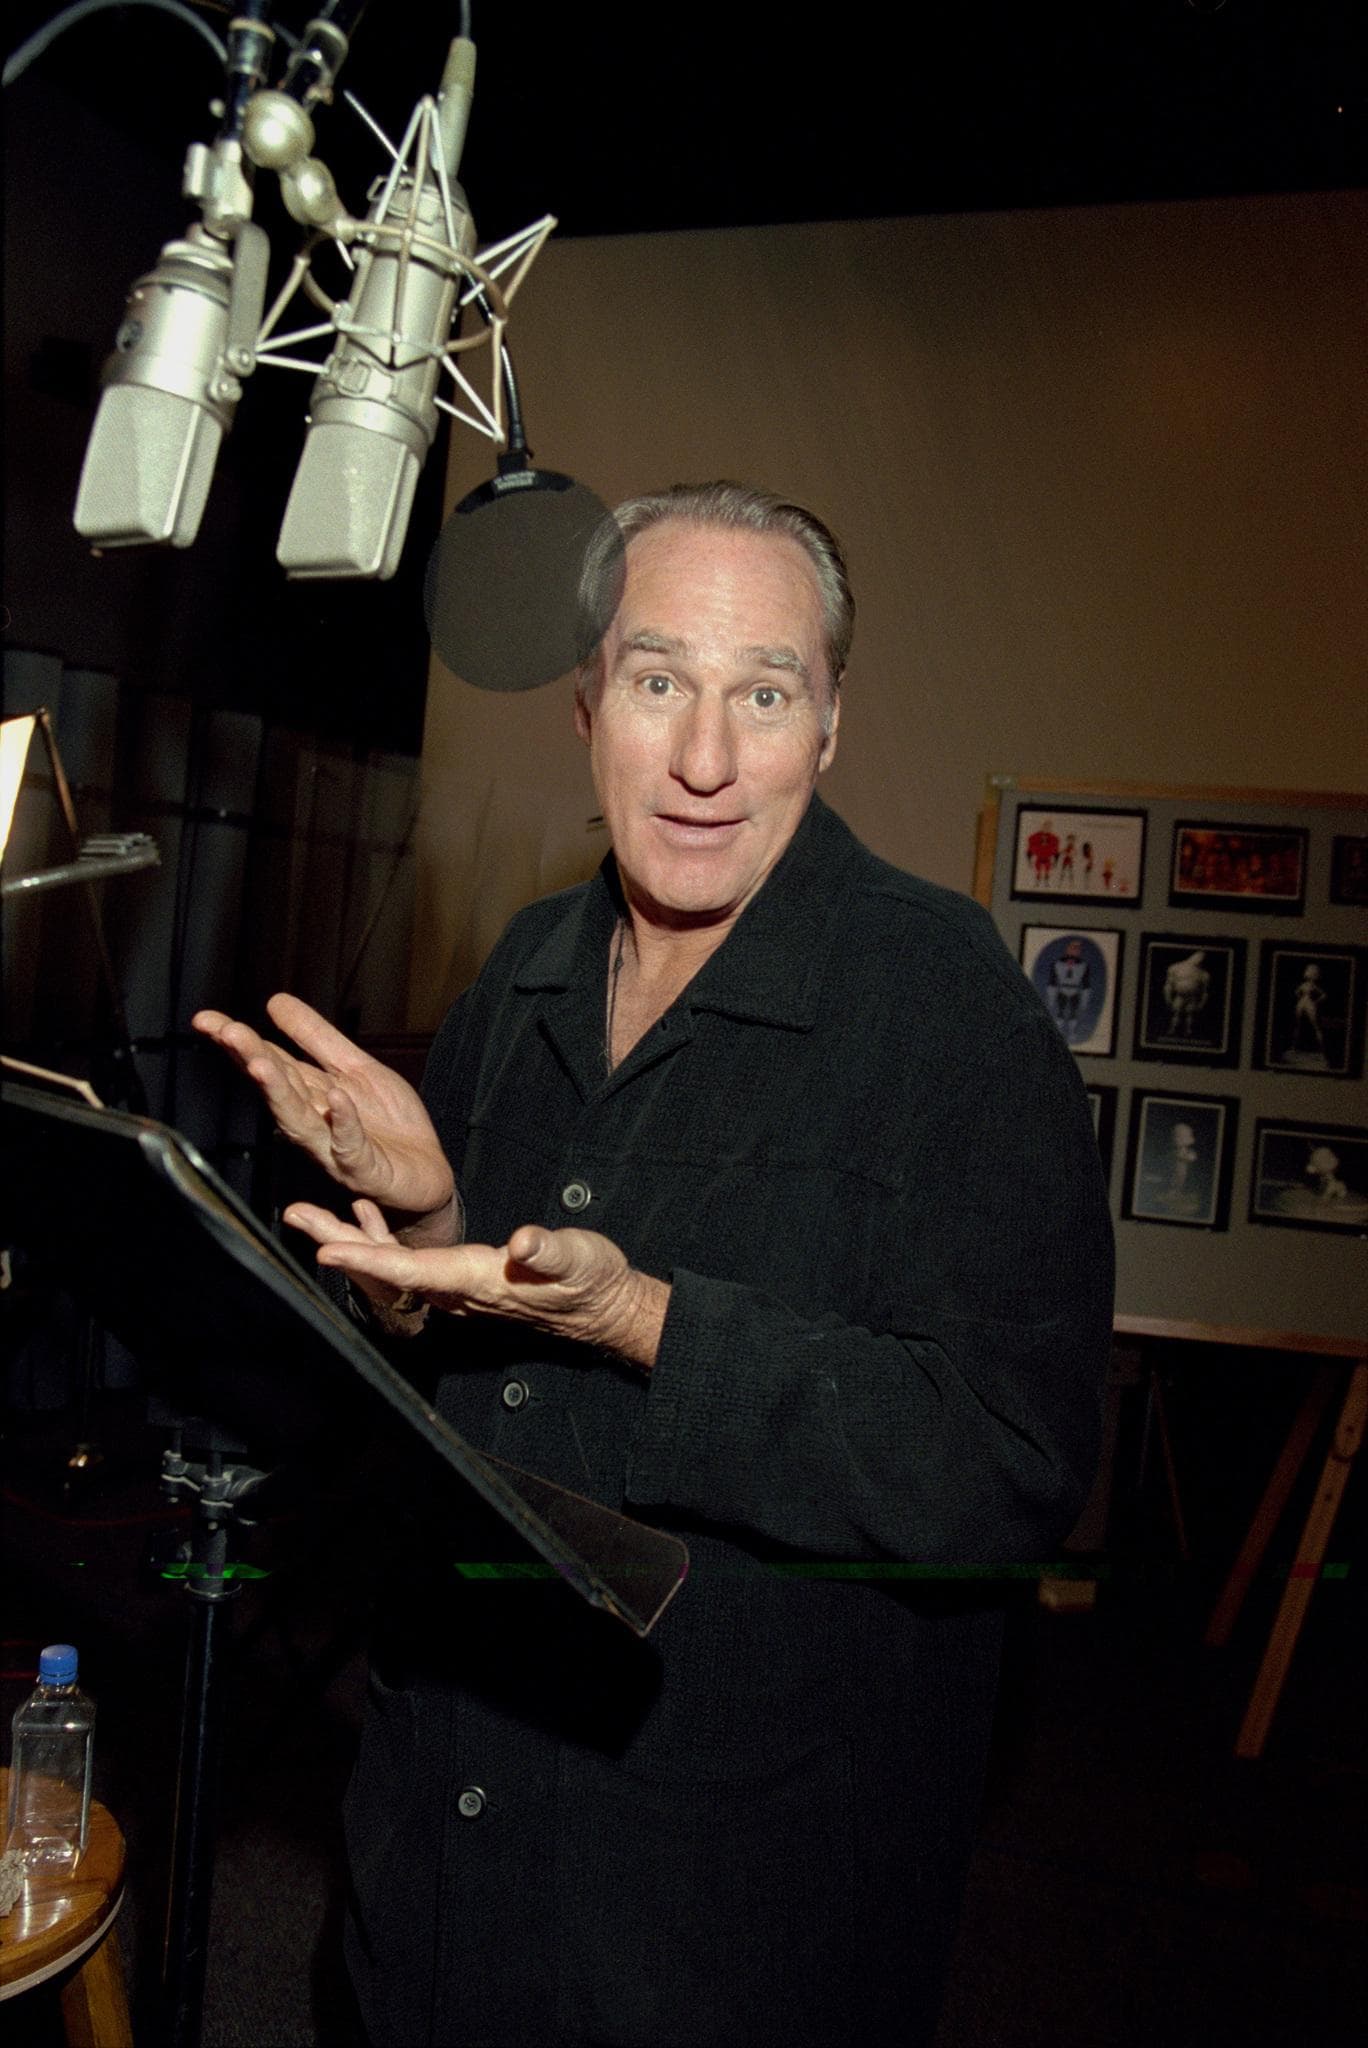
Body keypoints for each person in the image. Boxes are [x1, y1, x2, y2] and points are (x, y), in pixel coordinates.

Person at [194, 481, 1114, 2048]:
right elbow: (470, 1382)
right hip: (448, 1834)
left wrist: (645, 1322)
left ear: (830, 725)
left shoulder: (947, 1010)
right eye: (658, 679)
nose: (703, 757)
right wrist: (424, 1231)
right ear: (585, 706)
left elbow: (1011, 1468)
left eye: (764, 693)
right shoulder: (522, 974)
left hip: (717, 1913)